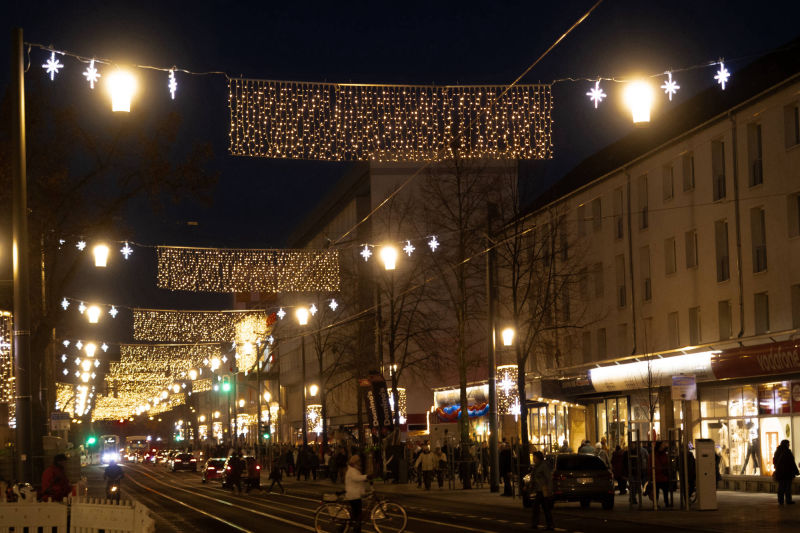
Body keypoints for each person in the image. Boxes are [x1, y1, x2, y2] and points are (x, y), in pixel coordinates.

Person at [345, 455, 373, 533]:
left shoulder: (354, 470)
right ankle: (355, 530)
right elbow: (356, 478)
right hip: (353, 496)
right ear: (355, 462)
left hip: (355, 495)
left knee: (355, 514)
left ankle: (349, 528)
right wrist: (366, 477)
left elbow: (358, 478)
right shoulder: (352, 470)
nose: (360, 463)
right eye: (359, 461)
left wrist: (366, 479)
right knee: (358, 515)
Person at [530, 451, 554, 531]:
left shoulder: (543, 466)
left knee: (540, 507)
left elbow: (548, 479)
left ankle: (546, 525)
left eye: (535, 458)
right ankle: (547, 525)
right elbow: (533, 478)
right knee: (543, 508)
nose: (533, 459)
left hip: (543, 490)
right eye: (533, 457)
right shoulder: (536, 466)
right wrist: (530, 487)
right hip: (539, 490)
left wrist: (549, 490)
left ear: (539, 458)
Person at [773, 439, 799, 505]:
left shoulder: (777, 451)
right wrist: (796, 471)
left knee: (781, 487)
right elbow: (792, 463)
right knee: (787, 487)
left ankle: (780, 501)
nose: (789, 445)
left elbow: (774, 461)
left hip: (780, 472)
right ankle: (788, 500)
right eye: (788, 444)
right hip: (787, 473)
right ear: (786, 444)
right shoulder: (787, 452)